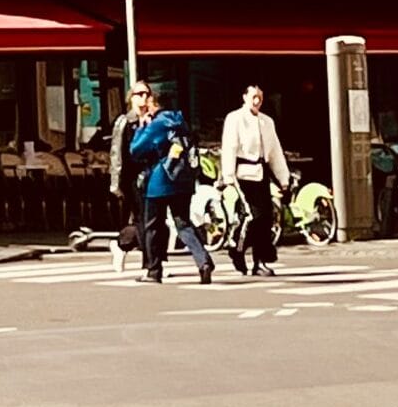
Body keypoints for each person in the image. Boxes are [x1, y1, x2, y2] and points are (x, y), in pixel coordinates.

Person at [132, 101, 213, 285]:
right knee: (183, 223)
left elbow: (136, 149)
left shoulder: (158, 124)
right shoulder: (181, 122)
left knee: (153, 225)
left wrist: (141, 128)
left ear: (155, 105)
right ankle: (203, 261)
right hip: (183, 180)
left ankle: (154, 270)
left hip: (159, 181)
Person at [219, 83, 289, 278]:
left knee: (265, 218)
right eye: (253, 96)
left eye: (260, 96)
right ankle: (237, 247)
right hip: (242, 173)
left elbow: (275, 151)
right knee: (251, 215)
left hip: (261, 172)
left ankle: (260, 261)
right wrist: (228, 175)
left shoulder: (267, 122)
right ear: (244, 97)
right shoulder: (235, 119)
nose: (257, 100)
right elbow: (230, 146)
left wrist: (284, 178)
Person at [109, 84, 156, 256]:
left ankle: (127, 246)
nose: (143, 97)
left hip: (152, 174)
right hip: (133, 176)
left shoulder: (154, 119)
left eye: (146, 93)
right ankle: (143, 256)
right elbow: (116, 152)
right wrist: (115, 182)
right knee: (141, 217)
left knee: (150, 218)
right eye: (139, 93)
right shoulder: (125, 122)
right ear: (131, 98)